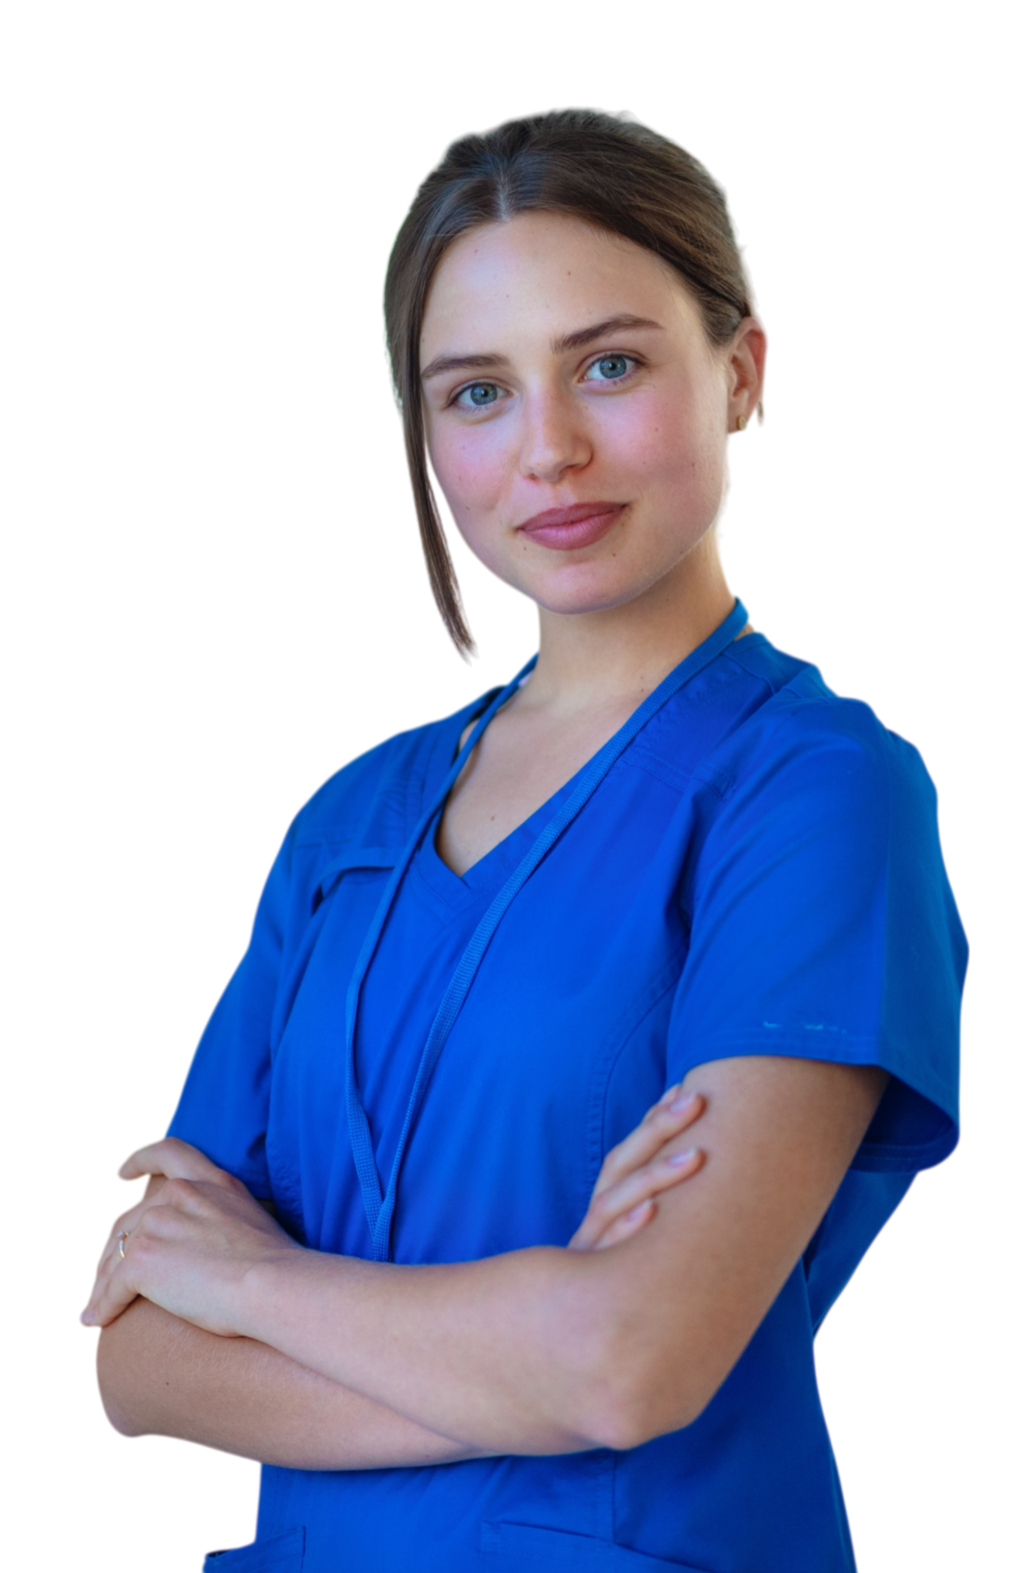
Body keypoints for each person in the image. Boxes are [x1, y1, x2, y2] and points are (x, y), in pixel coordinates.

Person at [81, 108, 968, 1573]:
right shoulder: (348, 822)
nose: (548, 451)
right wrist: (541, 1342)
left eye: (607, 365)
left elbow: (634, 1363)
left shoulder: (817, 797)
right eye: (476, 393)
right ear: (427, 441)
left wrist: (255, 1281)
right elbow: (139, 1362)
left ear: (741, 372)